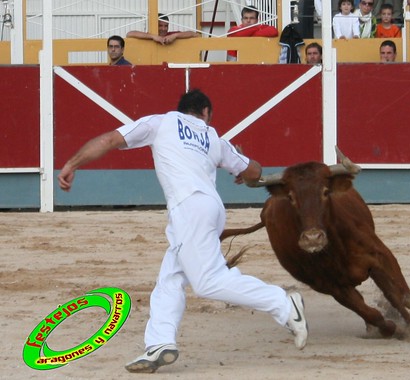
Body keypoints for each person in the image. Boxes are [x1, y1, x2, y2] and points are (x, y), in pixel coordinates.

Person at [57, 89, 308, 374]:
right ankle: (160, 343)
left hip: (188, 208)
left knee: (208, 282)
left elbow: (110, 140)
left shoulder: (160, 122)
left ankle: (284, 305)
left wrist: (71, 164)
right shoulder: (213, 137)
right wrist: (240, 169)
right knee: (170, 278)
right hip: (208, 208)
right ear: (205, 113)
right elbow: (254, 171)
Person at [126, 14, 198, 45]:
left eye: (166, 26)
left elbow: (194, 34)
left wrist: (175, 36)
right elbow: (129, 34)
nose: (163, 29)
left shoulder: (171, 35)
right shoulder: (148, 35)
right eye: (160, 25)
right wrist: (153, 37)